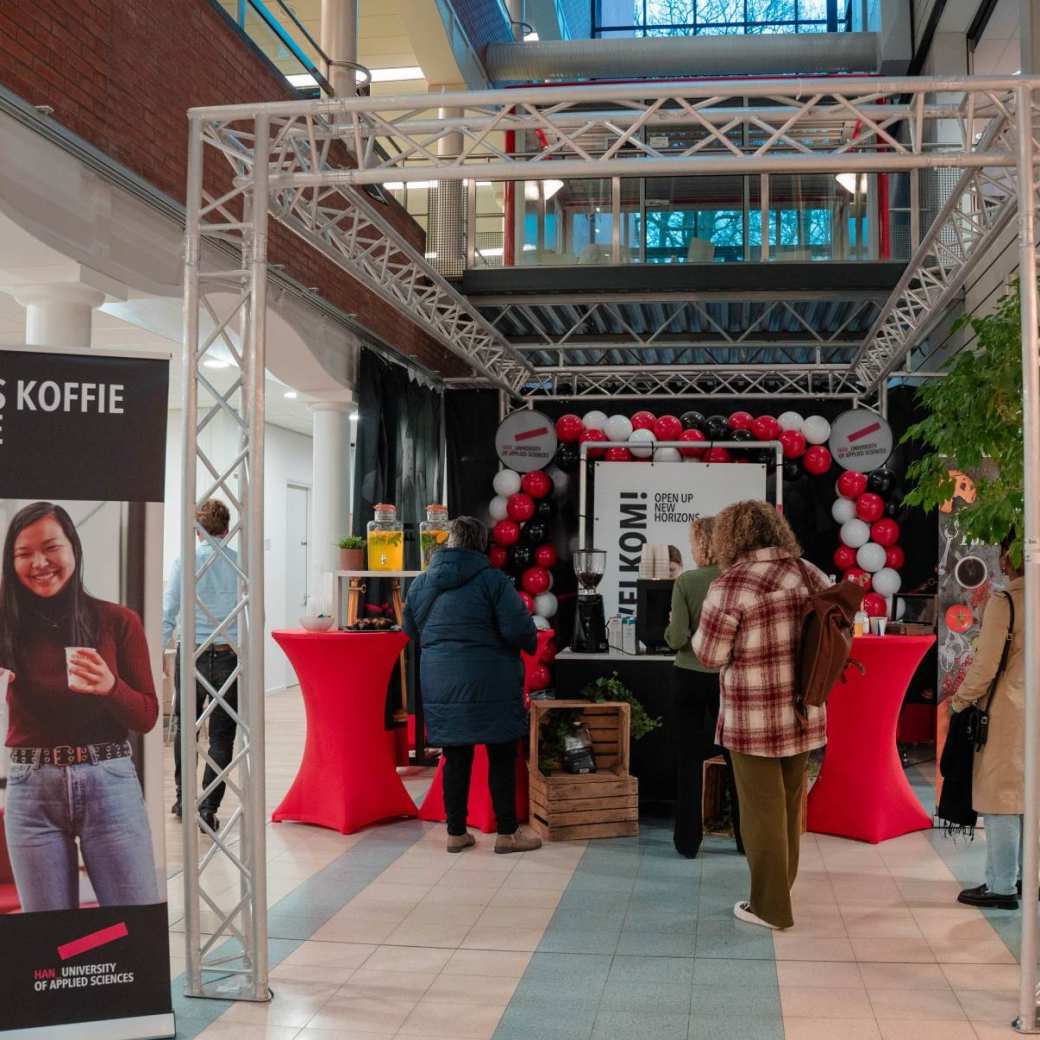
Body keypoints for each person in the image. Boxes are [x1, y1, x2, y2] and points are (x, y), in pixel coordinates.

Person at [0, 501, 160, 911]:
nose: (39, 563)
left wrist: (110, 686)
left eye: (51, 547)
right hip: (31, 790)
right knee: (48, 940)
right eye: (23, 553)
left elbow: (145, 716)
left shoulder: (117, 621)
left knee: (132, 924)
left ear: (73, 547)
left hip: (109, 783)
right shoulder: (5, 625)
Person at [693, 500, 829, 930]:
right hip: (805, 709)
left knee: (759, 812)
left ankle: (770, 908)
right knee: (789, 805)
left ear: (729, 537)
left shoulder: (731, 584)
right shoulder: (811, 573)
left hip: (753, 717)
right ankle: (779, 889)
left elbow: (709, 655)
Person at [403, 516, 542, 854]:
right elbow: (519, 631)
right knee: (502, 753)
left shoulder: (422, 583)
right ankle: (508, 834)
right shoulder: (493, 581)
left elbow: (410, 630)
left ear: (448, 542)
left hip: (441, 681)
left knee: (455, 754)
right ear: (482, 545)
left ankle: (455, 832)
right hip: (492, 681)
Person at [952, 534, 1026, 910]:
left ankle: (1001, 885)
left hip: (1012, 711)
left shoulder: (1007, 601)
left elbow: (986, 666)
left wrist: (960, 701)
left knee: (1002, 798)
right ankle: (1029, 878)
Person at [664, 517, 741, 858]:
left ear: (699, 545)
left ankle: (687, 842)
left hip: (688, 676)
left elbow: (676, 637)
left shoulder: (687, 582)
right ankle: (745, 840)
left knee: (688, 760)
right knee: (737, 760)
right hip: (727, 678)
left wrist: (670, 630)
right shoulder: (736, 581)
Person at [163, 499, 238, 833]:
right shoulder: (239, 564)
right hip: (229, 655)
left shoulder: (185, 562)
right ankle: (208, 808)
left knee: (186, 727)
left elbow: (169, 611)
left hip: (191, 652)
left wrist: (156, 653)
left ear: (197, 532)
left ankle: (183, 799)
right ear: (226, 529)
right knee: (222, 735)